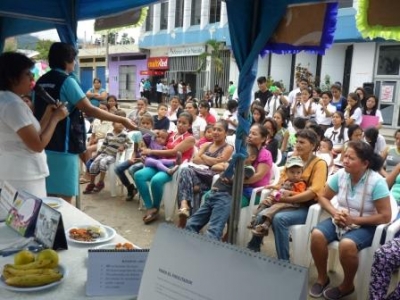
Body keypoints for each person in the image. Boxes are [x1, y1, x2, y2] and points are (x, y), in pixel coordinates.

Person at [33, 42, 136, 203]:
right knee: (63, 203)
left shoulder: (40, 81)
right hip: (63, 149)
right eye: (74, 60)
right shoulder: (66, 81)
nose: (74, 63)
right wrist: (122, 118)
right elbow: (90, 110)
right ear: (68, 60)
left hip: (42, 145)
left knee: (47, 201)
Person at [309, 141, 391, 299]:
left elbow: (385, 216)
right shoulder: (341, 175)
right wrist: (334, 213)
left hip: (368, 225)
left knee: (347, 245)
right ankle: (322, 278)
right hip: (341, 219)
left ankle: (347, 285)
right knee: (317, 235)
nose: (345, 160)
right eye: (345, 156)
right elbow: (323, 198)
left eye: (351, 158)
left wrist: (355, 220)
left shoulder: (377, 182)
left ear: (365, 163)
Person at [247, 129, 327, 258]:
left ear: (313, 145)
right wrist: (274, 191)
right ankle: (253, 247)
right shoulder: (293, 160)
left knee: (279, 219)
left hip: (304, 206)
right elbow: (282, 182)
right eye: (297, 142)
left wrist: (287, 200)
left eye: (302, 142)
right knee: (261, 214)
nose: (298, 145)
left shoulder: (319, 164)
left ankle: (283, 261)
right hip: (284, 202)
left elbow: (314, 192)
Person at [0, 52, 68, 198]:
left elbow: (33, 134)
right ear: (12, 78)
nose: (32, 77)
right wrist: (56, 119)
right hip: (23, 177)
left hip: (18, 173)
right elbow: (37, 145)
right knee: (28, 218)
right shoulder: (12, 105)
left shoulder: (9, 100)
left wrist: (48, 115)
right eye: (27, 74)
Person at [185, 144, 258, 241]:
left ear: (252, 157)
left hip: (225, 198)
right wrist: (228, 166)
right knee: (191, 224)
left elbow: (234, 178)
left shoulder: (249, 169)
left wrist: (226, 166)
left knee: (214, 230)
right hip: (213, 194)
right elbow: (214, 167)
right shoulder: (232, 163)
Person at [134, 112, 196, 224]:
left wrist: (151, 151)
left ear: (190, 125)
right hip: (159, 162)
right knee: (139, 175)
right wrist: (154, 132)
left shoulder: (190, 138)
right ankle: (150, 207)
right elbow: (152, 138)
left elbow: (173, 151)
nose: (180, 125)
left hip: (174, 166)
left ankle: (156, 208)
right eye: (179, 122)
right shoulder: (171, 134)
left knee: (156, 180)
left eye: (184, 123)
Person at [177, 120, 234, 228]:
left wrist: (203, 157)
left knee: (188, 179)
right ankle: (185, 208)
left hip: (211, 178)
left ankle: (185, 211)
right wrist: (211, 160)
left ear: (226, 133)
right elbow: (195, 159)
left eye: (219, 130)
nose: (216, 132)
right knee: (188, 176)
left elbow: (217, 164)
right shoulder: (206, 145)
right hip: (197, 175)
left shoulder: (228, 148)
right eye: (214, 129)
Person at [248, 156, 307, 236]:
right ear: (287, 172)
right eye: (292, 172)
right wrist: (272, 186)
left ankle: (265, 225)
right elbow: (281, 187)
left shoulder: (300, 184)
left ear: (301, 172)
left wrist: (290, 192)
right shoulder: (287, 181)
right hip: (280, 199)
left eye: (298, 172)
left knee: (274, 208)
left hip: (291, 203)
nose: (295, 175)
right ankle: (255, 219)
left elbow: (302, 194)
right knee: (266, 201)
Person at [83, 111, 133, 194]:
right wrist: (97, 154)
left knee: (103, 162)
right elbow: (104, 145)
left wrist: (124, 146)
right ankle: (91, 183)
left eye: (123, 123)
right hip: (105, 153)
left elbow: (130, 143)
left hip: (113, 156)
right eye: (118, 122)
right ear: (113, 124)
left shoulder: (125, 135)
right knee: (94, 164)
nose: (121, 124)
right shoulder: (109, 134)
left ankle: (101, 182)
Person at [114, 113, 155, 201]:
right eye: (143, 123)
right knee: (118, 169)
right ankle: (131, 188)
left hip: (146, 160)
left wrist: (140, 159)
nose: (145, 125)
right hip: (137, 158)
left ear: (152, 125)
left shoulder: (153, 136)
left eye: (147, 124)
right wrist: (132, 157)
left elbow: (153, 152)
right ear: (139, 124)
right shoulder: (137, 135)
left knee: (132, 169)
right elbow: (135, 150)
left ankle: (141, 189)